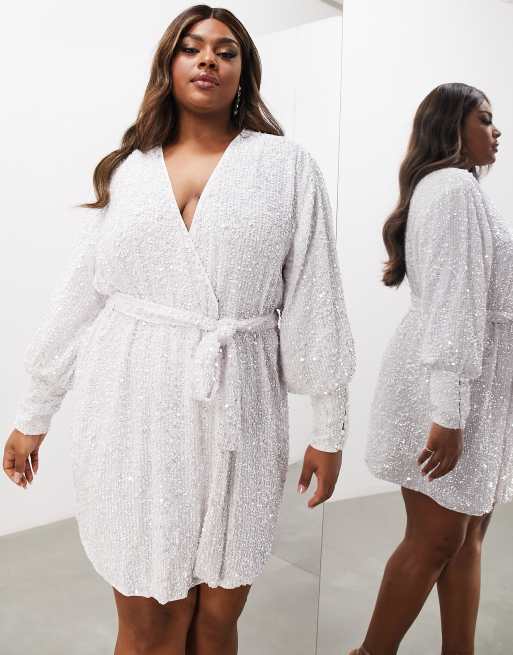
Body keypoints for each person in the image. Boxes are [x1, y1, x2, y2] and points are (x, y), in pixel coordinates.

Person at [3, 5, 355, 655]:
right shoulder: (130, 170)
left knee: (217, 617)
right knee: (151, 624)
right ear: (168, 65)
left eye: (226, 50)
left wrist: (329, 427)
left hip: (239, 407)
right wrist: (34, 411)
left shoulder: (286, 167)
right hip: (134, 410)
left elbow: (316, 300)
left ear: (244, 71)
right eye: (191, 48)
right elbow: (82, 295)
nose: (208, 59)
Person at [350, 82, 510, 655]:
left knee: (467, 537)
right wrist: (450, 412)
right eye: (484, 119)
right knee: (437, 537)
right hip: (446, 386)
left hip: (477, 386)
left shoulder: (459, 189)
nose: (496, 131)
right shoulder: (451, 189)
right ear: (451, 125)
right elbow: (453, 304)